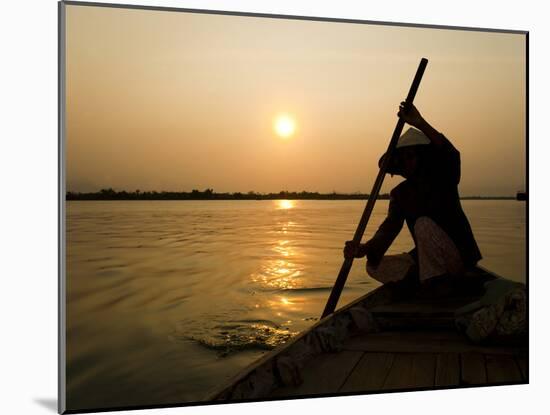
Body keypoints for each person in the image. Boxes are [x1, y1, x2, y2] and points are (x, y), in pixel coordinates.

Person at [344, 102, 482, 294]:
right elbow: (389, 228)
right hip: (428, 263)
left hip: (458, 258)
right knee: (374, 266)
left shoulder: (443, 177)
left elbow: (450, 154)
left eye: (412, 156)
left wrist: (420, 122)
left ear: (424, 157)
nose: (407, 162)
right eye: (404, 157)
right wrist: (364, 248)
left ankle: (436, 284)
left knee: (423, 225)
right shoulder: (400, 194)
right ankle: (428, 281)